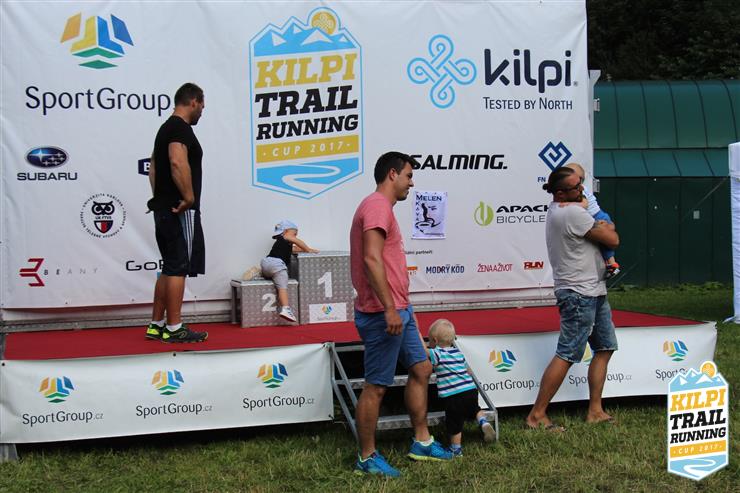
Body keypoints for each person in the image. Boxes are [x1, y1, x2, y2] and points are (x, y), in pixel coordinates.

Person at [350, 151, 452, 477]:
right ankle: (367, 458)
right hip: (383, 313)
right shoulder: (377, 206)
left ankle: (422, 442)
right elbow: (371, 259)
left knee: (422, 367)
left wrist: (403, 308)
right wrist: (390, 309)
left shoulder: (381, 207)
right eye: (408, 175)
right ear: (392, 174)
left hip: (399, 308)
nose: (412, 182)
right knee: (376, 386)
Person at [526, 166, 620, 431]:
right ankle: (536, 415)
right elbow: (613, 238)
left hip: (593, 289)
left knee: (605, 347)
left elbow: (607, 235)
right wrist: (605, 226)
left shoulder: (566, 209)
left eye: (581, 184)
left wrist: (603, 226)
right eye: (576, 187)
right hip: (579, 293)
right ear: (560, 193)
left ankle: (595, 411)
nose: (582, 191)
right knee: (567, 354)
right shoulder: (572, 213)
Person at [144, 83, 208, 343]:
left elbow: (153, 169)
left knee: (169, 266)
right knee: (179, 266)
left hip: (162, 207)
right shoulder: (180, 128)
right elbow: (176, 161)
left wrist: (161, 197)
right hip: (180, 209)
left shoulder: (164, 128)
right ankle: (174, 327)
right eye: (202, 106)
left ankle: (156, 324)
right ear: (193, 101)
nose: (202, 111)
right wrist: (188, 197)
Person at [425, 318, 495, 457]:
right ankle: (483, 422)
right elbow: (469, 370)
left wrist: (416, 337)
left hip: (454, 395)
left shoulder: (437, 353)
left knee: (454, 421)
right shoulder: (458, 353)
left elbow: (424, 351)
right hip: (470, 390)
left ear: (435, 340)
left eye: (429, 340)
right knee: (475, 409)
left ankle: (456, 450)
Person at [564, 163, 620, 278]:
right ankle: (611, 264)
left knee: (604, 244)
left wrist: (568, 205)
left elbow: (584, 205)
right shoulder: (575, 190)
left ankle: (612, 264)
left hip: (597, 216)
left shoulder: (580, 190)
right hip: (598, 216)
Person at [260, 220, 319, 322]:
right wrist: (308, 249)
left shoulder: (282, 242)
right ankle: (286, 309)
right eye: (294, 234)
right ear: (285, 231)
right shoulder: (286, 236)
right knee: (282, 284)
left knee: (274, 274)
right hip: (276, 264)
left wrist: (304, 249)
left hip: (266, 264)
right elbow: (298, 242)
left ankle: (260, 274)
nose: (295, 236)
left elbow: (295, 248)